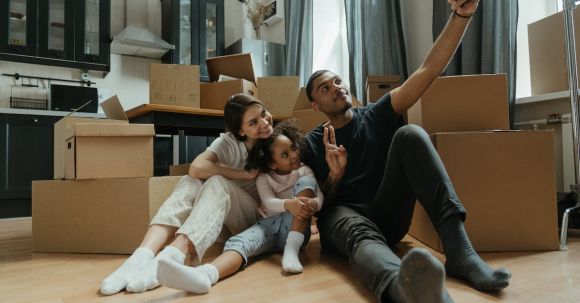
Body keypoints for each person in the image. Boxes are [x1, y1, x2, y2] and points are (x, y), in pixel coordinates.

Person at [301, 1, 511, 303]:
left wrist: (461, 16)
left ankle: (460, 252)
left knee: (410, 134)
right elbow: (319, 206)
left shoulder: (376, 114)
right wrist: (335, 177)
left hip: (387, 216)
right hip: (345, 221)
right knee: (356, 230)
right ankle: (404, 289)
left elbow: (428, 71)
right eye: (324, 88)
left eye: (337, 80)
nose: (335, 87)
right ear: (315, 106)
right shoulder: (313, 142)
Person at [100, 94, 274, 295]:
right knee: (191, 181)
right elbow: (196, 168)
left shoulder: (278, 141)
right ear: (240, 131)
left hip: (255, 221)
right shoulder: (229, 142)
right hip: (222, 219)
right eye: (253, 122)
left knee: (217, 182)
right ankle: (142, 254)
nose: (264, 122)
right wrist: (243, 174)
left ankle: (173, 254)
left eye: (263, 113)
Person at [156, 120, 323, 294]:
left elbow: (319, 196)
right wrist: (288, 204)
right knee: (240, 242)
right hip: (268, 224)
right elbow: (268, 202)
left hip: (295, 227)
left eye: (294, 148)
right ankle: (206, 275)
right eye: (284, 154)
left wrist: (314, 204)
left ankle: (291, 250)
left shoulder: (305, 171)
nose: (293, 155)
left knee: (307, 182)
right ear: (272, 163)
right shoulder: (264, 177)